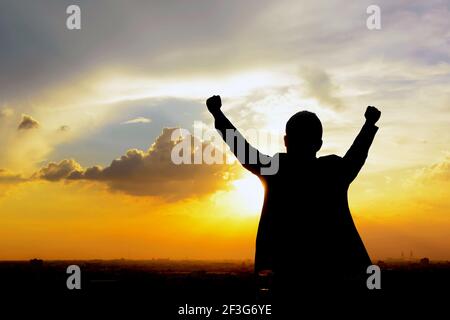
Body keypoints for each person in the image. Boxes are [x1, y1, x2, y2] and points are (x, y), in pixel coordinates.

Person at [206, 95, 381, 302]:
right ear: (319, 144)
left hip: (284, 277)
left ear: (286, 141)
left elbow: (243, 150)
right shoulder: (334, 172)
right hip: (332, 278)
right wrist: (369, 124)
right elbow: (357, 154)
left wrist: (218, 114)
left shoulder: (277, 170)